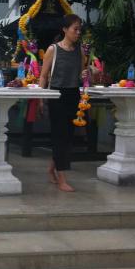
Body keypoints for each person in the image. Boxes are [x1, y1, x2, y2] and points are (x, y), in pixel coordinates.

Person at [38, 14, 88, 192]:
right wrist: (41, 99)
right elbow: (43, 76)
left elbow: (81, 75)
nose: (78, 32)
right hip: (56, 95)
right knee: (60, 136)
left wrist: (86, 74)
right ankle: (62, 179)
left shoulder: (80, 51)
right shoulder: (53, 50)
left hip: (73, 95)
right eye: (75, 29)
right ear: (65, 29)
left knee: (68, 136)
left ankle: (52, 168)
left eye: (80, 29)